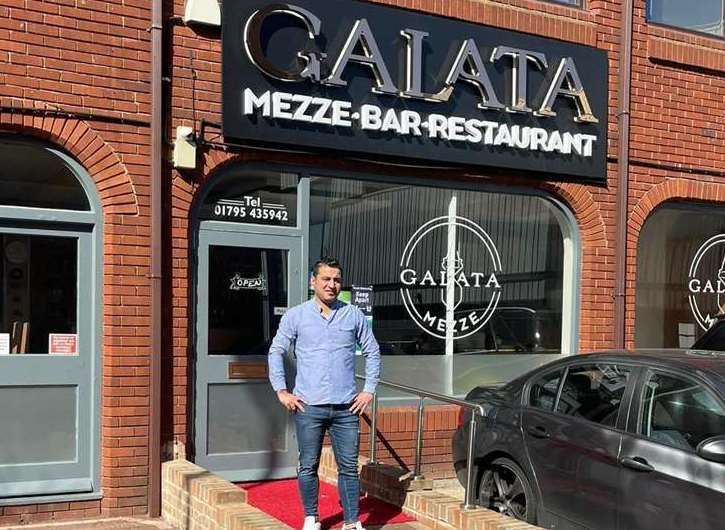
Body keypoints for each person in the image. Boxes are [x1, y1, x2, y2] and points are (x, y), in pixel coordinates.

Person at [268, 256, 381, 530]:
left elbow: (372, 351)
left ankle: (352, 522)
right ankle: (311, 517)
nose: (332, 285)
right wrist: (281, 390)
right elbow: (276, 350)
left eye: (336, 280)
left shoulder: (353, 314)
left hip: (346, 408)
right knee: (308, 465)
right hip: (309, 406)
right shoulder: (296, 316)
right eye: (326, 279)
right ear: (313, 282)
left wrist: (369, 390)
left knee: (348, 467)